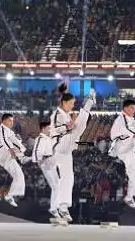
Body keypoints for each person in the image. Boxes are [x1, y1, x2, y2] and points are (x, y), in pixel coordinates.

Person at [49, 84, 95, 222]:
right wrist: (68, 126)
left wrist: (71, 125)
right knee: (79, 125)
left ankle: (62, 207)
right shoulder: (57, 114)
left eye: (74, 103)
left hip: (67, 151)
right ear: (64, 102)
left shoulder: (68, 115)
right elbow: (54, 131)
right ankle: (90, 101)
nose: (72, 106)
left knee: (68, 178)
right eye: (71, 103)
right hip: (59, 145)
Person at [109, 99, 135, 209]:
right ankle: (130, 196)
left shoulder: (131, 119)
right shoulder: (121, 119)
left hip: (128, 148)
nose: (133, 110)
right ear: (126, 108)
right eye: (132, 108)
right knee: (134, 171)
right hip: (121, 146)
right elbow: (128, 130)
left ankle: (129, 196)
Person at [0, 113, 27, 208]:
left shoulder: (9, 131)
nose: (12, 123)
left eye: (13, 121)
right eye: (10, 120)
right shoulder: (1, 129)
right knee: (13, 142)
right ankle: (22, 158)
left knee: (19, 175)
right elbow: (5, 140)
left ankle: (10, 195)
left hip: (6, 156)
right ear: (4, 121)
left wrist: (22, 148)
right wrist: (11, 150)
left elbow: (15, 140)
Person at [32, 120, 60, 218]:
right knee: (55, 186)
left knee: (57, 185)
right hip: (46, 162)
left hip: (51, 161)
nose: (50, 130)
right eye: (48, 128)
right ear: (43, 128)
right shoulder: (40, 138)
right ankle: (53, 208)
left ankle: (55, 207)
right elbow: (36, 151)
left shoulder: (47, 138)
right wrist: (39, 162)